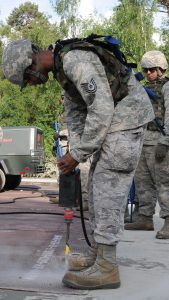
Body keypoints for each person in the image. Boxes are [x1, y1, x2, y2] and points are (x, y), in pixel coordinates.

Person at [2, 38, 154, 290]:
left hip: (126, 121)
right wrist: (74, 154)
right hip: (114, 124)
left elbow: (101, 108)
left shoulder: (75, 60)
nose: (31, 84)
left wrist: (79, 153)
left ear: (32, 63)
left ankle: (107, 268)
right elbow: (75, 117)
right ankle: (98, 255)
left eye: (27, 79)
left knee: (107, 189)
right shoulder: (64, 71)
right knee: (95, 186)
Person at [125, 50, 169, 240]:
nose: (149, 73)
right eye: (146, 70)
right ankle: (145, 217)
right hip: (143, 140)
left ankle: (168, 222)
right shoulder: (142, 88)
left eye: (152, 70)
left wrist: (165, 142)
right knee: (143, 182)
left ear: (161, 69)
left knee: (164, 184)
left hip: (159, 140)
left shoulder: (167, 87)